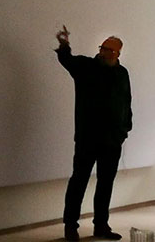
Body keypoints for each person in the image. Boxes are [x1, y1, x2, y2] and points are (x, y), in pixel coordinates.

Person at [55, 26, 133, 241]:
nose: (104, 52)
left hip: (112, 141)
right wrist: (64, 45)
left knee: (105, 184)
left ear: (118, 53)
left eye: (109, 50)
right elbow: (66, 60)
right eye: (102, 48)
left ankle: (101, 226)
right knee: (78, 182)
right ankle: (70, 227)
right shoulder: (86, 67)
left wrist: (124, 129)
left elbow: (126, 102)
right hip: (87, 139)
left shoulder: (122, 73)